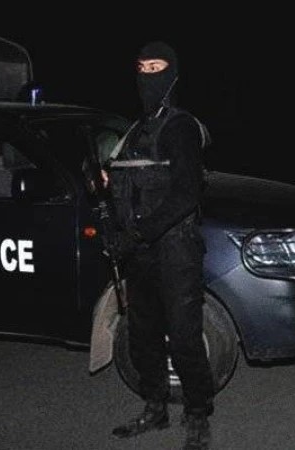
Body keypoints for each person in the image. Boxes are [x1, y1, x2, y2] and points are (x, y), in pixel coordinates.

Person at [104, 40, 214, 450]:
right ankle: (155, 407)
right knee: (142, 336)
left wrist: (138, 232)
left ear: (173, 75)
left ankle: (198, 413)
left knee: (184, 337)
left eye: (157, 68)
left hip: (175, 250)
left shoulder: (180, 127)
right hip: (141, 254)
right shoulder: (135, 130)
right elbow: (125, 185)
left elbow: (186, 193)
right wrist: (116, 224)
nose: (149, 76)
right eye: (143, 68)